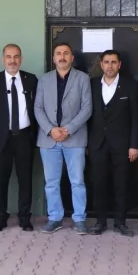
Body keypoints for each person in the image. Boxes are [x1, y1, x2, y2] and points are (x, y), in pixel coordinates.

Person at [34, 42, 92, 235]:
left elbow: (87, 108)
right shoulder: (44, 79)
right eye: (58, 53)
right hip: (49, 139)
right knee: (51, 182)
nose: (62, 56)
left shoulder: (82, 78)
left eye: (66, 53)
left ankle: (80, 219)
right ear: (53, 58)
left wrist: (68, 129)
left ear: (72, 57)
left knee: (78, 182)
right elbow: (38, 108)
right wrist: (51, 130)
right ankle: (55, 218)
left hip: (74, 138)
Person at [0, 44, 38, 232]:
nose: (12, 60)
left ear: (21, 59)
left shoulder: (31, 80)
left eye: (16, 57)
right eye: (8, 57)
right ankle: (0, 217)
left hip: (25, 137)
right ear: (3, 59)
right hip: (1, 139)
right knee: (0, 180)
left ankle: (25, 217)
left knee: (25, 179)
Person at [87, 50, 138, 236]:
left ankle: (120, 222)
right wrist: (86, 144)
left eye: (113, 62)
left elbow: (136, 118)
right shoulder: (92, 84)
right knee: (98, 184)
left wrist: (134, 145)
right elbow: (87, 116)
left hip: (122, 145)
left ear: (119, 65)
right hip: (97, 144)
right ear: (101, 65)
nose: (110, 66)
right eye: (107, 62)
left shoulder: (131, 85)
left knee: (121, 185)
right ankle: (100, 222)